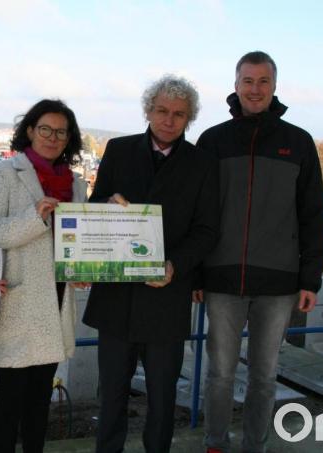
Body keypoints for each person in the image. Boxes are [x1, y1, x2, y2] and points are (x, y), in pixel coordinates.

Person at [194, 51, 323, 453]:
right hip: (221, 279)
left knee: (265, 375)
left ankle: (256, 445)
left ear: (274, 86)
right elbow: (197, 213)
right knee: (219, 373)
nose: (255, 89)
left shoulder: (299, 143)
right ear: (235, 85)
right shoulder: (213, 141)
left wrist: (310, 278)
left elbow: (313, 215)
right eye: (248, 81)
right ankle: (215, 443)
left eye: (263, 81)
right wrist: (197, 274)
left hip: (279, 283)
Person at [83, 74, 219, 453]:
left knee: (162, 398)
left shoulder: (202, 164)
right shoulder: (119, 150)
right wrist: (105, 206)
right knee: (111, 393)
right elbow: (93, 206)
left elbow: (207, 230)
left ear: (189, 119)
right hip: (116, 298)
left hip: (166, 297)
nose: (169, 119)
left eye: (179, 113)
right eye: (162, 110)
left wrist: (176, 264)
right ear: (148, 110)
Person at [0, 99, 89, 453]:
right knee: (10, 403)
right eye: (45, 129)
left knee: (40, 402)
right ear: (30, 131)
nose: (52, 137)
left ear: (70, 138)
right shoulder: (4, 173)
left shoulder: (75, 183)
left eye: (61, 131)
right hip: (18, 304)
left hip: (55, 300)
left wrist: (82, 265)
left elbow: (76, 238)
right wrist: (34, 219)